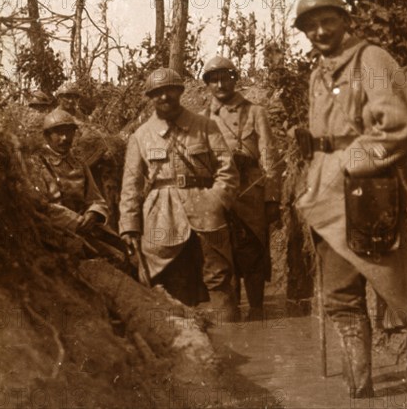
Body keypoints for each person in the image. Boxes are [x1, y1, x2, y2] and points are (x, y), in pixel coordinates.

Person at [293, 0, 407, 398]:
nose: (319, 30)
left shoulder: (372, 60)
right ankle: (360, 390)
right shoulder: (319, 72)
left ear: (345, 20)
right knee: (339, 294)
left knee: (384, 286)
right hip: (326, 193)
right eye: (310, 25)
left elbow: (400, 126)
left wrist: (352, 160)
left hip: (368, 190)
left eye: (327, 20)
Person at [118, 67, 240, 320]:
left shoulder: (205, 126)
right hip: (160, 215)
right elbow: (130, 185)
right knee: (164, 280)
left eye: (170, 90)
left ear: (180, 91)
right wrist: (129, 225)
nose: (164, 97)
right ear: (150, 97)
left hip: (206, 212)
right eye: (157, 93)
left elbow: (227, 171)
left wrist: (216, 201)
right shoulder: (140, 137)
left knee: (217, 278)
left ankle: (230, 338)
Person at [201, 56, 282, 320]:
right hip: (218, 192)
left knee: (254, 252)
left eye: (226, 77)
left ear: (235, 79)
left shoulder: (255, 112)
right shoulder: (201, 117)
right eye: (214, 79)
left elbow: (269, 155)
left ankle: (257, 311)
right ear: (208, 84)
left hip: (251, 191)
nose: (221, 84)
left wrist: (271, 198)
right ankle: (230, 314)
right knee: (224, 253)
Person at [27, 109, 126, 261]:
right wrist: (76, 221)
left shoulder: (79, 163)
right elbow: (41, 206)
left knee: (123, 252)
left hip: (85, 228)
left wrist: (93, 214)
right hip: (55, 231)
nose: (65, 138)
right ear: (47, 136)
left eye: (69, 132)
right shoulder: (36, 164)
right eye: (58, 133)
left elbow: (96, 199)